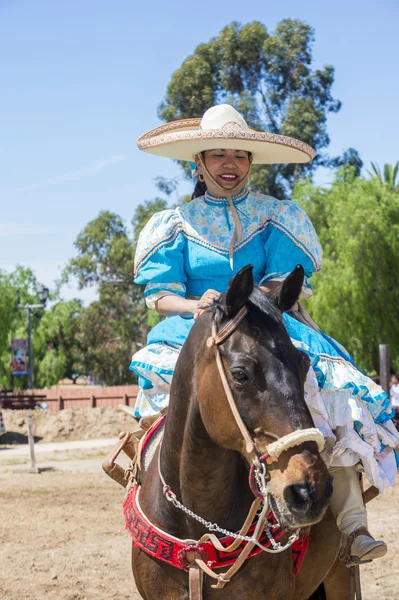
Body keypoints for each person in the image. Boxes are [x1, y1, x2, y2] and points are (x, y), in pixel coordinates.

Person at [130, 104, 399, 564]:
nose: (229, 163)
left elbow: (284, 284)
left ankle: (352, 525)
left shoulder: (277, 216)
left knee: (323, 399)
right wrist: (196, 304)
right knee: (162, 410)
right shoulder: (174, 223)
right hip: (193, 328)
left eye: (239, 154)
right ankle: (150, 493)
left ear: (251, 162)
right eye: (217, 155)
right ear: (199, 162)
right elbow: (159, 295)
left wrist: (257, 298)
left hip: (269, 323)